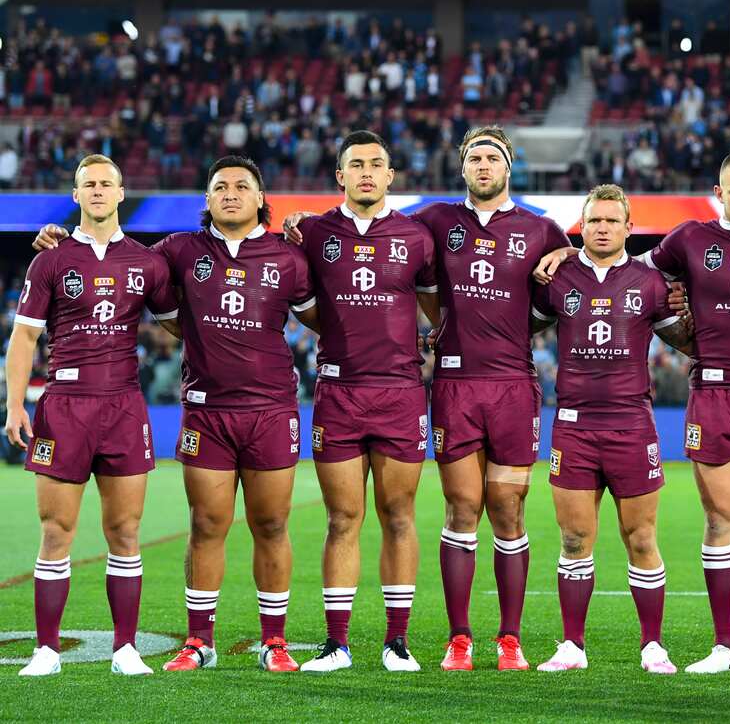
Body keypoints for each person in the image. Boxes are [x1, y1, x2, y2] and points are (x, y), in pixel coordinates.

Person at [539, 151, 730, 675]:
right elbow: (634, 274)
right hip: (711, 392)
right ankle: (725, 647)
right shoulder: (687, 240)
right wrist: (566, 254)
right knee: (720, 519)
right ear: (718, 194)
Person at [285, 125, 571, 672]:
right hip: (452, 386)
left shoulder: (541, 229)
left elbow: (579, 268)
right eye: (474, 157)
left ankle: (508, 639)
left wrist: (567, 253)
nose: (483, 165)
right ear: (461, 166)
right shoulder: (431, 224)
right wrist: (301, 219)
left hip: (512, 385)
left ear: (509, 166)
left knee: (508, 511)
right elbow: (378, 247)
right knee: (460, 507)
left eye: (493, 157)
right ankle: (457, 638)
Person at [31, 155, 318, 673]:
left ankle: (274, 642)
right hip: (206, 410)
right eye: (219, 186)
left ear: (261, 198)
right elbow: (113, 256)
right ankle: (198, 641)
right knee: (206, 523)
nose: (230, 193)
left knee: (271, 523)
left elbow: (327, 318)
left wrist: (310, 229)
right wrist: (59, 235)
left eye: (241, 186)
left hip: (273, 408)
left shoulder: (289, 256)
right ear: (206, 200)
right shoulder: (176, 253)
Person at [6, 154, 177, 677]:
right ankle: (47, 651)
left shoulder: (147, 262)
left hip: (124, 405)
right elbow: (25, 336)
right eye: (89, 185)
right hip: (64, 406)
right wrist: (15, 403)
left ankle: (125, 649)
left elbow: (180, 326)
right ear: (76, 195)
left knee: (125, 530)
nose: (99, 191)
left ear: (122, 193)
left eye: (107, 183)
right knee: (56, 530)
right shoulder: (51, 259)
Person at [528, 184, 692, 674]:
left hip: (631, 424)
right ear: (583, 225)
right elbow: (516, 328)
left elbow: (686, 340)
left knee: (640, 536)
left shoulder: (651, 281)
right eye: (593, 221)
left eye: (610, 221)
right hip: (574, 425)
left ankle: (653, 645)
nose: (602, 228)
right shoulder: (558, 277)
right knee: (575, 538)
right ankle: (572, 646)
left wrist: (694, 307)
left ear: (628, 225)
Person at [293, 131, 438, 673]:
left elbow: (435, 311)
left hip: (400, 394)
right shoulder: (311, 233)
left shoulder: (416, 237)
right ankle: (337, 644)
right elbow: (300, 301)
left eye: (377, 164)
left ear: (391, 174)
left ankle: (396, 642)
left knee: (399, 515)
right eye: (356, 165)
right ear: (340, 176)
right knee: (342, 518)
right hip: (338, 393)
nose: (367, 173)